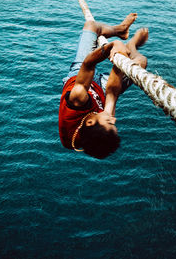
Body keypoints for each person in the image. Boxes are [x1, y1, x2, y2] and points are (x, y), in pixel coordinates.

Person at [59, 13, 148, 159]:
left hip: (79, 77)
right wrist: (120, 63)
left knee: (91, 26)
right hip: (101, 90)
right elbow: (112, 92)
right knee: (141, 63)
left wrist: (112, 46)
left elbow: (88, 65)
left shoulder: (77, 99)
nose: (113, 120)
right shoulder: (100, 128)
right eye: (113, 124)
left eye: (109, 122)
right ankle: (132, 45)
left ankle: (120, 29)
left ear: (90, 121)